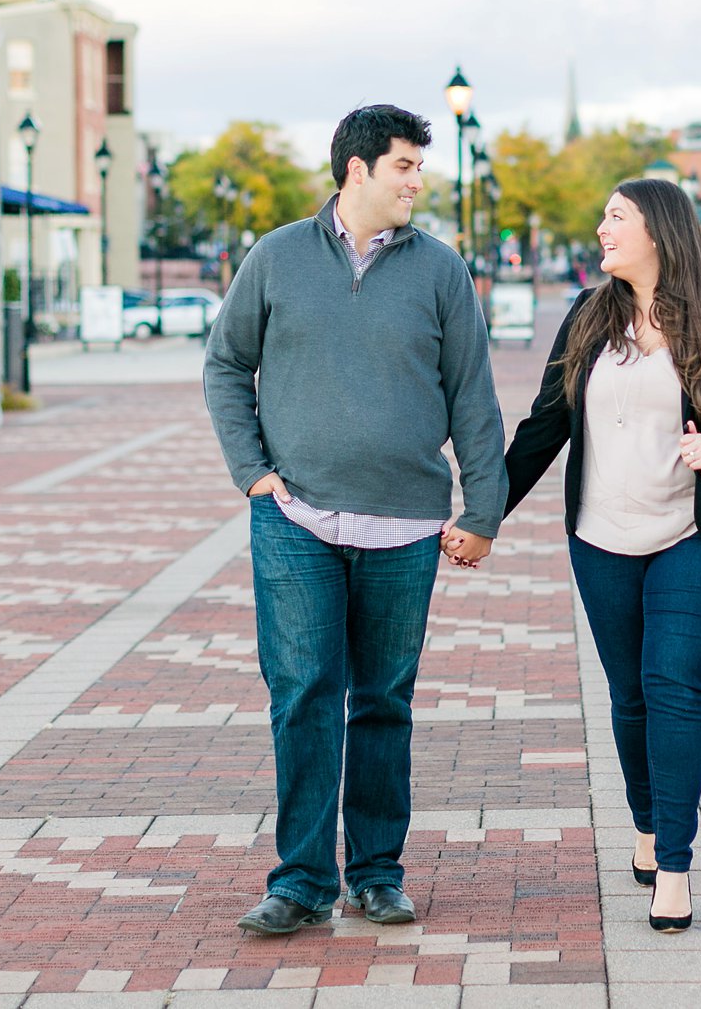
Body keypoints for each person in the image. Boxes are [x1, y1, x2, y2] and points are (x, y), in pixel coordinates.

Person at [448, 177, 701, 933]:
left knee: (673, 684)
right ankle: (645, 822)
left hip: (699, 535)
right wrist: (483, 516)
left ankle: (674, 865)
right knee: (629, 695)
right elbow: (544, 430)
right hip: (601, 537)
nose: (601, 228)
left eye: (616, 216)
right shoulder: (587, 316)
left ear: (661, 231)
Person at [204, 104, 506, 935]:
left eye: (419, 165)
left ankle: (376, 873)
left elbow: (473, 398)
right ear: (356, 170)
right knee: (301, 695)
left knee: (382, 701)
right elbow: (226, 364)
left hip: (406, 525)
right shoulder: (276, 258)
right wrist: (253, 474)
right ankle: (300, 880)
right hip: (294, 517)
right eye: (405, 164)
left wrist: (484, 508)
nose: (418, 179)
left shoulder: (441, 270)